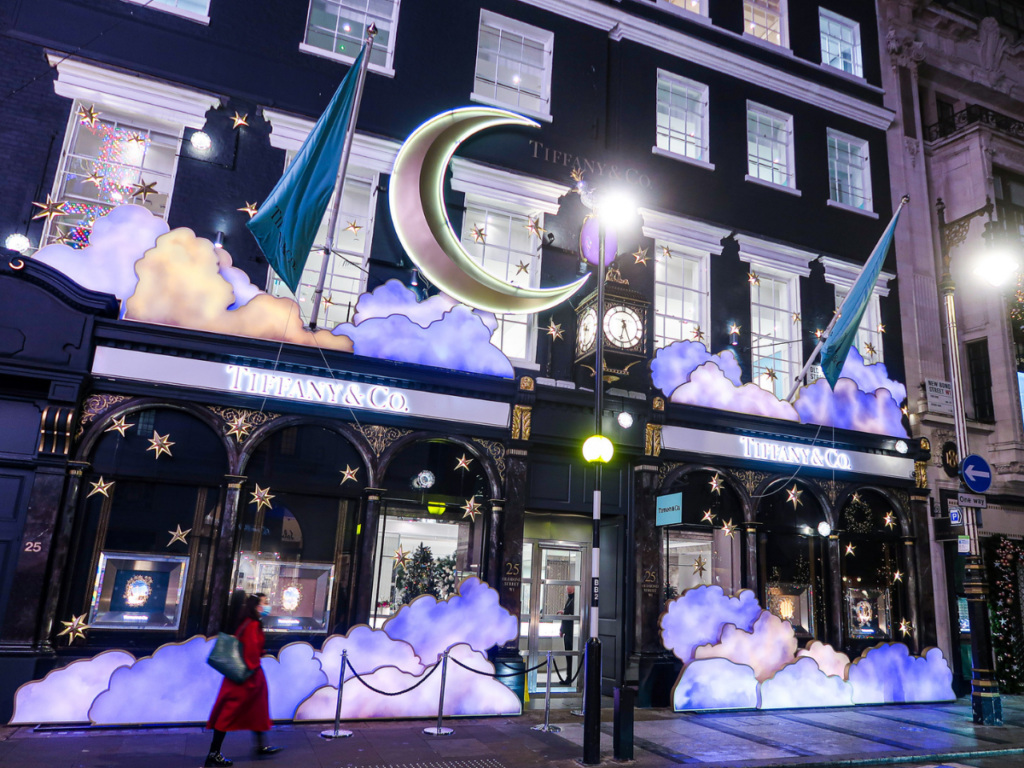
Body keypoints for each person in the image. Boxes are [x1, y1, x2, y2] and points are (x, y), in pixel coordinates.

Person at [205, 593, 282, 767]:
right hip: (247, 678)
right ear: (256, 606)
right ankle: (214, 752)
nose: (267, 606)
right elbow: (251, 651)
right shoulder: (253, 624)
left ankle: (259, 746)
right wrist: (255, 666)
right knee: (229, 713)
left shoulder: (246, 622)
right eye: (264, 603)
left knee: (256, 710)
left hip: (241, 676)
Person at [557, 586, 575, 685]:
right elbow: (566, 615)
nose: (567, 590)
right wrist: (562, 629)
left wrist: (564, 612)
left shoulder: (575, 600)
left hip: (572, 632)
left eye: (568, 588)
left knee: (570, 656)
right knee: (568, 656)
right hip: (567, 632)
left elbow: (570, 613)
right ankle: (569, 677)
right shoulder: (570, 599)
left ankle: (570, 677)